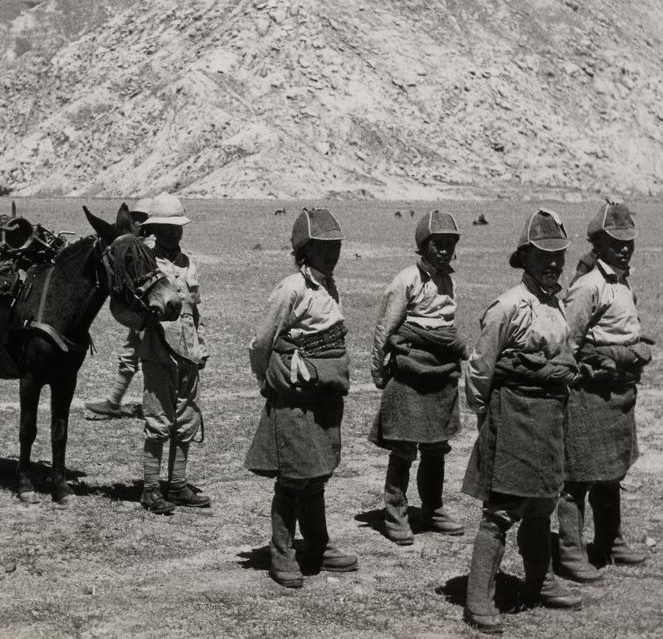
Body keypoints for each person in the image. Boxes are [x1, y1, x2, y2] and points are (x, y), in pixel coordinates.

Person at [462, 209, 582, 634]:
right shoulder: (508, 306)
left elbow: (565, 355)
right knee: (501, 511)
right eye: (543, 256)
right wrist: (486, 420)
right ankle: (478, 598)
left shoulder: (558, 304)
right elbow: (481, 368)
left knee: (543, 505)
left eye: (559, 257)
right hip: (511, 415)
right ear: (525, 258)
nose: (553, 264)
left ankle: (540, 582)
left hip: (550, 416)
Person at [245, 208, 358, 589]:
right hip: (295, 393)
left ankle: (318, 545)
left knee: (317, 473)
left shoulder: (329, 285)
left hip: (323, 393)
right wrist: (271, 377)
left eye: (336, 245)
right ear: (305, 249)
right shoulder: (291, 288)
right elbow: (263, 341)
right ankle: (281, 550)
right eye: (323, 246)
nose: (333, 252)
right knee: (294, 477)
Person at [557, 203, 652, 584]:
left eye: (628, 242)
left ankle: (609, 541)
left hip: (619, 393)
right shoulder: (588, 286)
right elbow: (568, 343)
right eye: (615, 242)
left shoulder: (621, 281)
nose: (624, 249)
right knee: (577, 478)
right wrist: (595, 367)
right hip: (590, 394)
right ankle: (569, 552)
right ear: (598, 244)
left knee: (611, 472)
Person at [369, 210, 467, 545]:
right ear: (423, 245)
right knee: (404, 445)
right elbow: (386, 327)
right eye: (437, 244)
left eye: (449, 244)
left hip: (440, 371)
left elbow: (444, 326)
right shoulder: (406, 279)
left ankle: (433, 508)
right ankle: (395, 512)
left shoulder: (447, 279)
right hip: (411, 371)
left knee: (437, 445)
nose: (443, 250)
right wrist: (378, 369)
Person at [132, 193, 210, 513]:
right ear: (155, 229)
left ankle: (177, 484)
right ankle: (151, 489)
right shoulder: (145, 263)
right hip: (159, 352)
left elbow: (196, 310)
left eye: (176, 227)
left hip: (189, 353)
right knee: (158, 421)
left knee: (187, 419)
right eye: (166, 228)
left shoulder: (188, 263)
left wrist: (201, 343)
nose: (173, 233)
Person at [86, 197, 153, 417]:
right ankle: (114, 401)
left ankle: (157, 402)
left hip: (152, 312)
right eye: (135, 219)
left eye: (141, 219)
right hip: (139, 312)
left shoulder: (148, 247)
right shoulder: (134, 243)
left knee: (152, 357)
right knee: (130, 353)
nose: (136, 224)